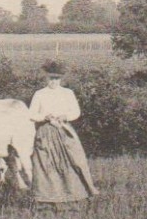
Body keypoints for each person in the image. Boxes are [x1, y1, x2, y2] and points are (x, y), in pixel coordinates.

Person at [27, 61, 96, 207]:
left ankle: (73, 198)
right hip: (46, 133)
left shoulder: (67, 93)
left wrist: (65, 116)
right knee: (46, 165)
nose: (53, 82)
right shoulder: (39, 94)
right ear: (46, 78)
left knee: (73, 161)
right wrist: (44, 117)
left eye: (56, 79)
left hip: (64, 131)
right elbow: (32, 114)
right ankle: (46, 200)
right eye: (51, 78)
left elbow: (76, 112)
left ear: (61, 79)